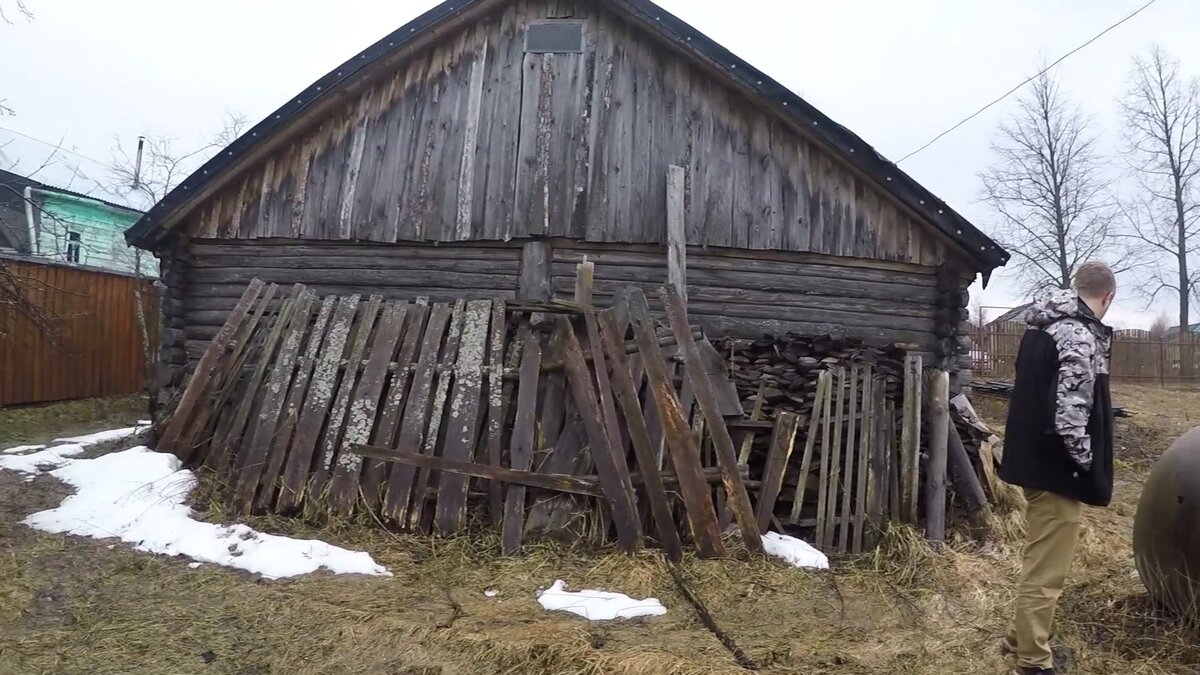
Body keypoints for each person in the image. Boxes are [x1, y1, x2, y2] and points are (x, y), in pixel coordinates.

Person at [998, 261, 1116, 675]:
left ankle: (1017, 639)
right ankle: (1032, 662)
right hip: (1055, 470)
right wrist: (1086, 464)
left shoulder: (1042, 327)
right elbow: (1069, 415)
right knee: (1047, 572)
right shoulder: (1078, 334)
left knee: (1039, 558)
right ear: (1108, 296)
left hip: (1032, 461)